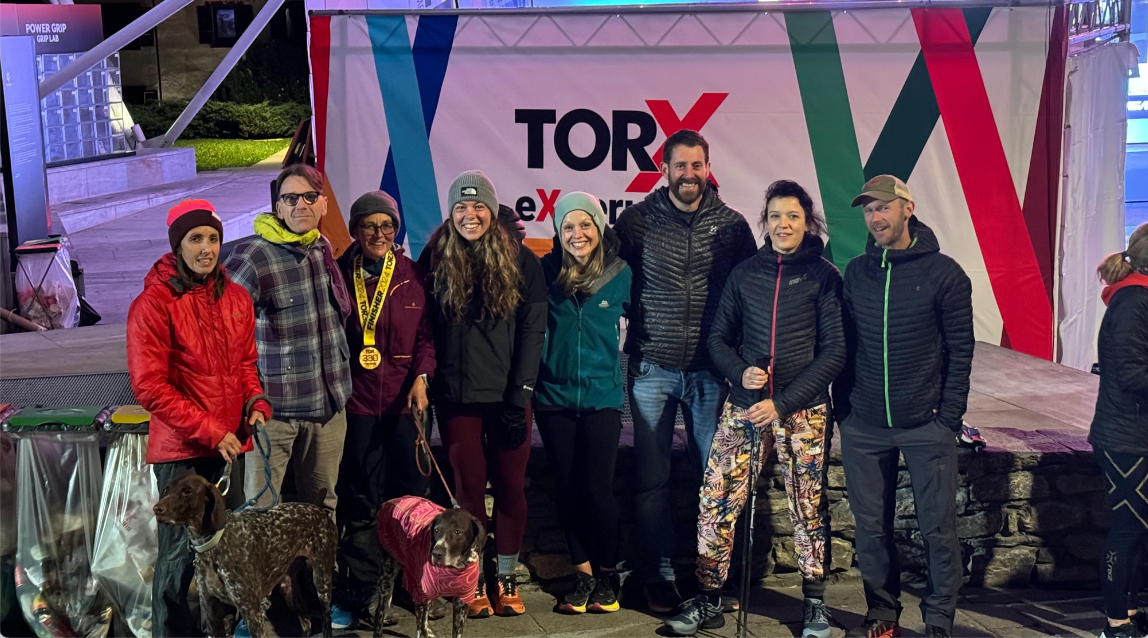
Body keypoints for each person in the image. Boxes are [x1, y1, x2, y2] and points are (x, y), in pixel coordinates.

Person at [666, 181, 845, 636]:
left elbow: (835, 352)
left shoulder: (825, 276)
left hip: (802, 411)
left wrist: (781, 403)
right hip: (745, 408)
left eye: (793, 216)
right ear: (765, 221)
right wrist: (739, 371)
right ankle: (709, 597)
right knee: (717, 498)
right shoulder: (745, 273)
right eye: (776, 216)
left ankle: (814, 603)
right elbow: (717, 339)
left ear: (808, 222)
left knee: (807, 504)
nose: (784, 224)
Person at [614, 129, 758, 611]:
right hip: (651, 366)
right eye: (681, 166)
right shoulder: (636, 221)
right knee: (650, 480)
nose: (689, 174)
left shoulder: (732, 226)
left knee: (712, 479)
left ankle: (710, 575)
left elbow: (752, 296)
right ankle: (657, 576)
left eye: (697, 165)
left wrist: (744, 362)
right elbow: (606, 279)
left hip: (709, 372)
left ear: (708, 168)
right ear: (665, 170)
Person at [833, 175, 974, 638]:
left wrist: (948, 418)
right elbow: (844, 346)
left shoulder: (945, 274)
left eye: (883, 207)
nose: (875, 217)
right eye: (868, 210)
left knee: (938, 530)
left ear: (907, 208)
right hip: (864, 425)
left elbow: (960, 351)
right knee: (871, 529)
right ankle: (882, 613)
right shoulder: (857, 272)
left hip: (925, 426)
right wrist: (844, 410)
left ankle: (938, 621)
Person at [127, 199, 271, 637]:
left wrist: (255, 401)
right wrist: (211, 430)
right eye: (195, 239)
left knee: (224, 554)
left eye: (212, 238)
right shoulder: (153, 304)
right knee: (177, 561)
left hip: (228, 447)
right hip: (182, 452)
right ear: (178, 246)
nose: (206, 248)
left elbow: (246, 364)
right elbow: (150, 387)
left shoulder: (236, 298)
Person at [224, 164, 354, 628]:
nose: (300, 205)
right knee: (260, 517)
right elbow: (223, 327)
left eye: (308, 197)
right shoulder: (253, 255)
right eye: (289, 198)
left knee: (322, 512)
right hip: (273, 414)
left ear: (323, 203)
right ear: (276, 206)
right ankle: (252, 612)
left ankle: (318, 600)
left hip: (327, 408)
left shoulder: (322, 248)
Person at [419, 170, 546, 618]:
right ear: (450, 213)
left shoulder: (522, 260)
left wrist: (520, 395)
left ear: (492, 211)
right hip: (457, 399)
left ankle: (506, 578)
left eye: (477, 207)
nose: (469, 215)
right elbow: (423, 325)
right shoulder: (435, 256)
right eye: (460, 207)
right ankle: (470, 579)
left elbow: (532, 332)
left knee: (510, 487)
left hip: (508, 399)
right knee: (468, 490)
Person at [332, 190, 436, 624]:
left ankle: (415, 585)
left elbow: (427, 338)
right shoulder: (338, 274)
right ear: (355, 230)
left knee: (411, 502)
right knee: (361, 498)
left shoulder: (413, 275)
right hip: (356, 403)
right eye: (369, 226)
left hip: (405, 405)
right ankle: (367, 590)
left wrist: (422, 377)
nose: (379, 233)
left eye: (387, 225)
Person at [534, 192, 631, 615]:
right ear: (558, 232)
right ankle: (584, 576)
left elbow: (644, 325)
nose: (578, 234)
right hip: (553, 397)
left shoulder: (620, 273)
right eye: (568, 226)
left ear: (598, 227)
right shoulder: (545, 272)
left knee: (598, 490)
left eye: (585, 224)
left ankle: (609, 573)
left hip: (601, 398)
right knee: (568, 489)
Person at [1089, 223, 1148, 638]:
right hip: (1125, 436)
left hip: (1135, 432)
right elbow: (1130, 373)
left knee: (1138, 530)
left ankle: (1130, 610)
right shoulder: (1133, 302)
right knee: (1127, 529)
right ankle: (1115, 622)